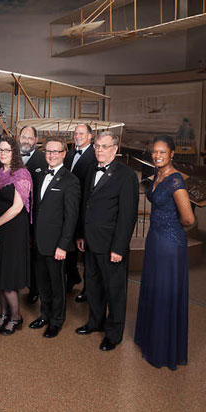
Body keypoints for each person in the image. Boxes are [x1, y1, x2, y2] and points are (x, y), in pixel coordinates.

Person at [134, 135, 195, 370]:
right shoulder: (158, 175)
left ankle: (163, 349)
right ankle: (150, 339)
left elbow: (188, 219)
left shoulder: (175, 180)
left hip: (170, 243)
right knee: (153, 287)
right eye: (154, 152)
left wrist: (170, 227)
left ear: (172, 154)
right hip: (155, 239)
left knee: (165, 292)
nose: (157, 155)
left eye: (162, 152)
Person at [75, 131, 139, 352]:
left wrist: (119, 247)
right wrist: (81, 234)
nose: (99, 150)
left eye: (104, 146)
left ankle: (113, 334)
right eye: (97, 146)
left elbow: (127, 215)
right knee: (93, 286)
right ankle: (95, 322)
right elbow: (86, 205)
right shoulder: (92, 168)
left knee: (114, 290)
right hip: (91, 242)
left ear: (115, 148)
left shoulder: (126, 175)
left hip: (112, 245)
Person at [29, 138, 80, 338]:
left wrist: (63, 245)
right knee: (42, 281)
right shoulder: (40, 174)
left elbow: (71, 217)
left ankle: (57, 320)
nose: (50, 155)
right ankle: (45, 314)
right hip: (39, 240)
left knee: (56, 284)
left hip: (56, 243)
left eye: (55, 151)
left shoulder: (71, 180)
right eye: (48, 151)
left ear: (63, 154)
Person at [0, 136, 32, 335]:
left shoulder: (22, 174)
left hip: (12, 231)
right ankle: (3, 314)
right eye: (0, 150)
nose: (3, 153)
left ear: (14, 153)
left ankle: (15, 316)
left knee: (8, 278)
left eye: (7, 150)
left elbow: (17, 208)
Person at [64, 124, 96, 301]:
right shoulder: (68, 155)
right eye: (75, 133)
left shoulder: (94, 156)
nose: (77, 136)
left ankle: (87, 287)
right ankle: (73, 276)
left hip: (84, 210)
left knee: (85, 253)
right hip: (69, 208)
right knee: (68, 247)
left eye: (81, 133)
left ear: (90, 136)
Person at [18, 125, 47, 305]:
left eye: (30, 138)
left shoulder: (43, 160)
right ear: (19, 138)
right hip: (14, 215)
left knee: (34, 254)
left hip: (34, 216)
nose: (26, 141)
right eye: (24, 137)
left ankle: (34, 289)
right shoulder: (12, 157)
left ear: (36, 140)